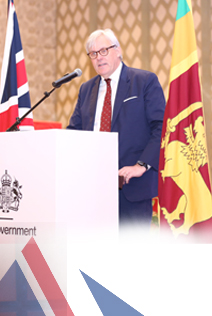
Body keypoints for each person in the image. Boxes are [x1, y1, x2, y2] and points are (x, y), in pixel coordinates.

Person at [66, 29, 165, 224]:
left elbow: (161, 127)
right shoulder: (86, 89)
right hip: (93, 189)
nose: (98, 58)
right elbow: (74, 133)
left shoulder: (144, 81)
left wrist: (142, 165)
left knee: (130, 253)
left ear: (118, 50)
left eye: (104, 50)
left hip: (132, 187)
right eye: (93, 54)